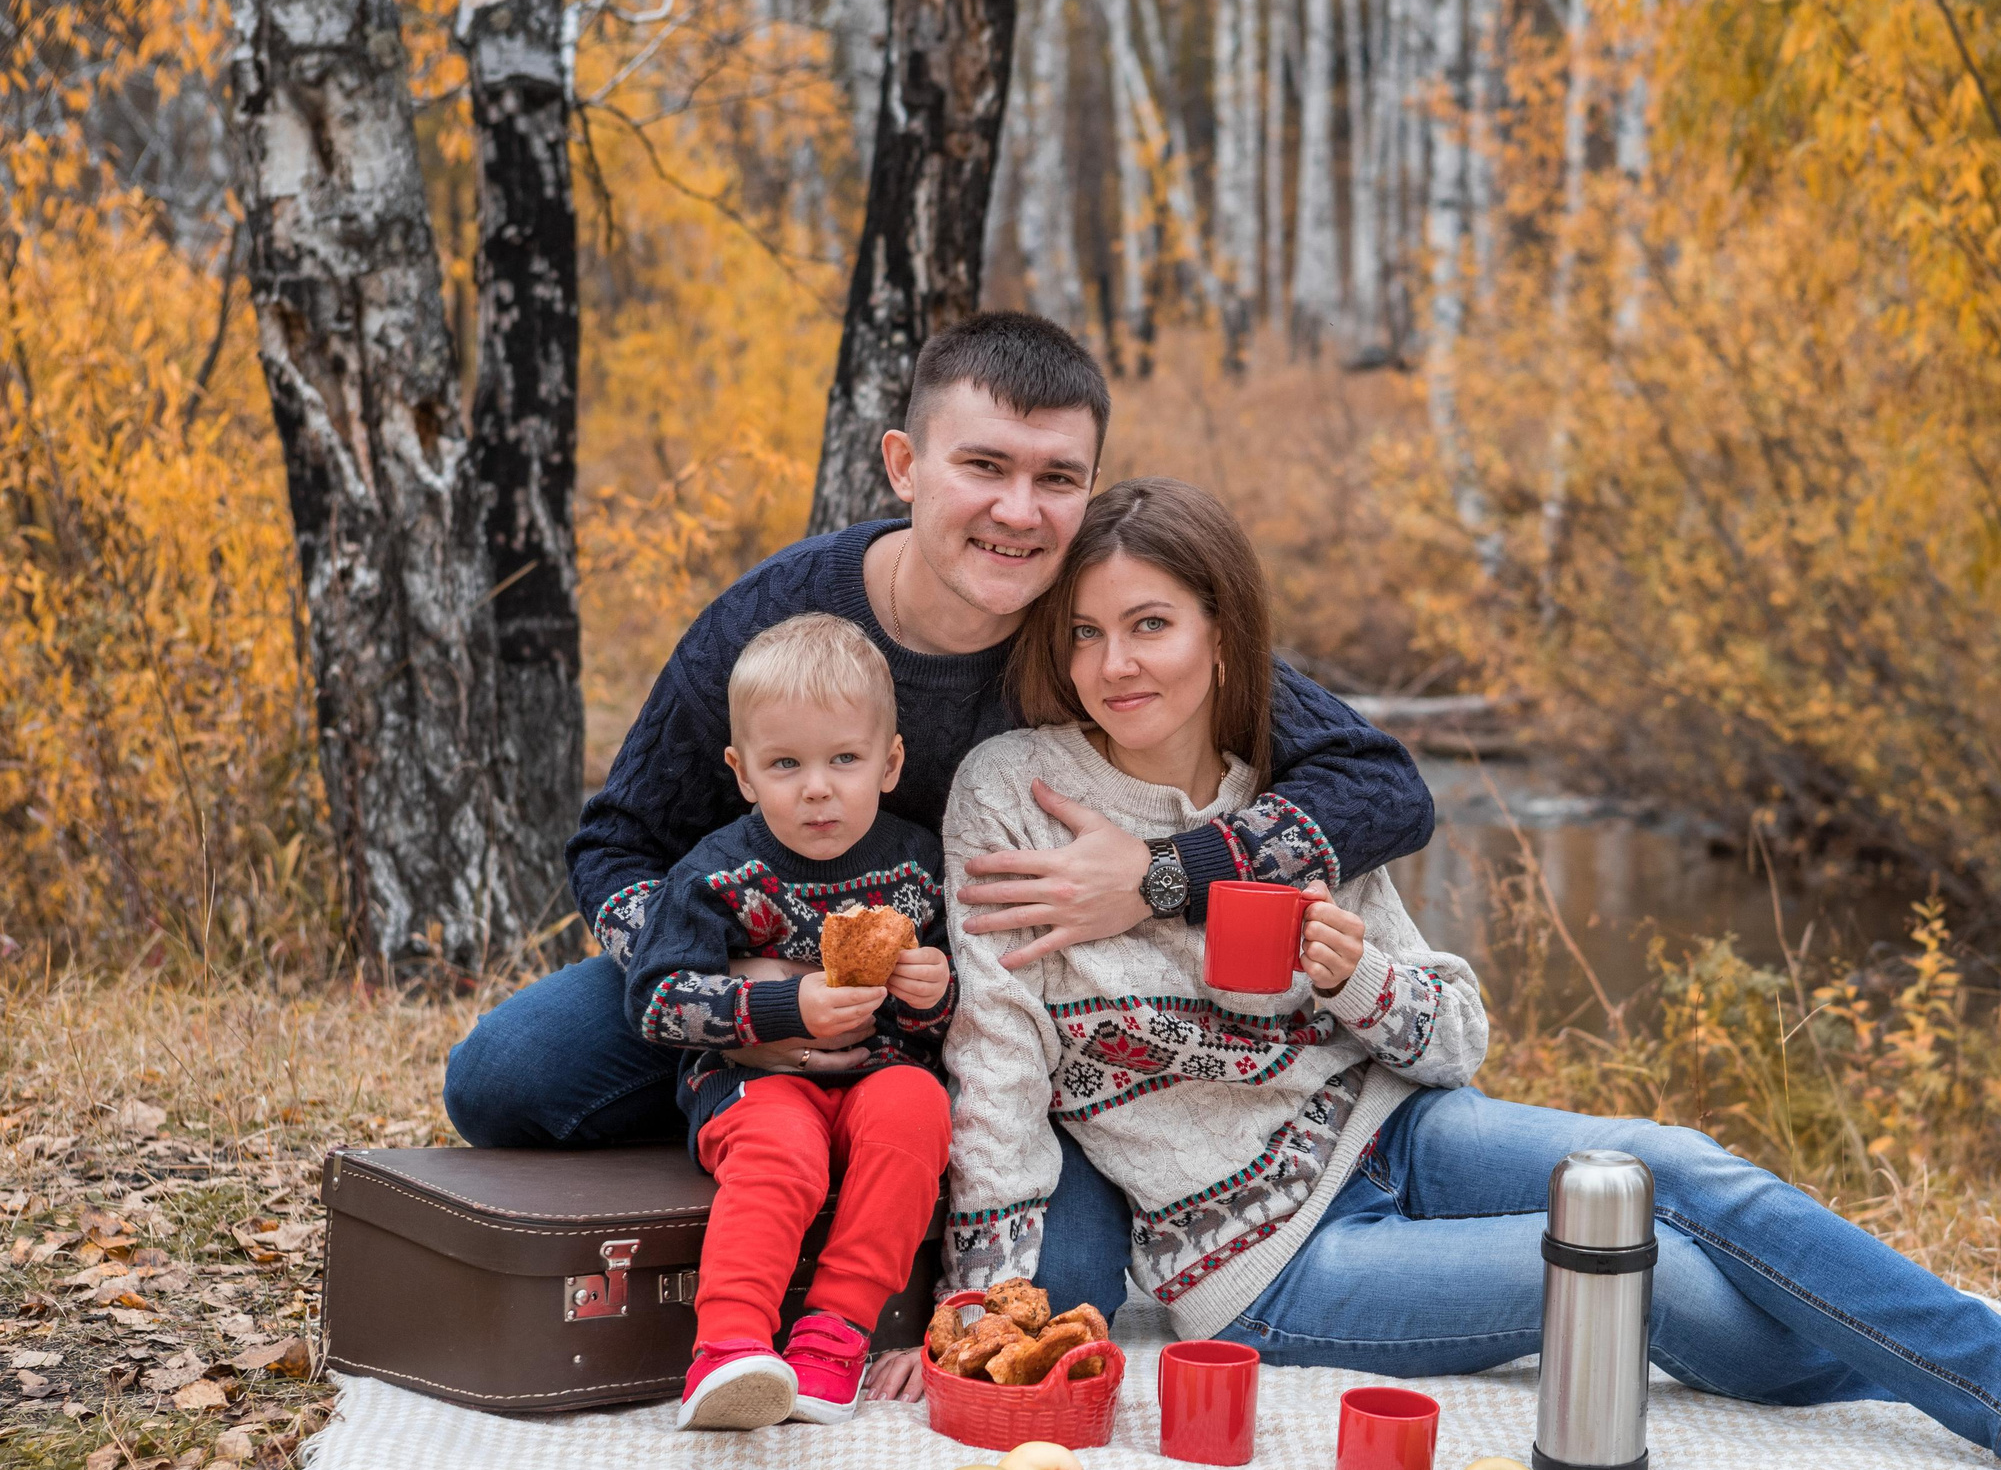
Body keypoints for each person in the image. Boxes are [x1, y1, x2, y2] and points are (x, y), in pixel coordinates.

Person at [929, 476, 2001, 1470]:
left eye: (1152, 623)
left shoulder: (1286, 791)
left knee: (1684, 1169)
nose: (1118, 664)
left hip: (1403, 1130)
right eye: (1091, 631)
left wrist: (1359, 973)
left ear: (1225, 633)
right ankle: (1988, 1357)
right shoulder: (1012, 796)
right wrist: (991, 1304)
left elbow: (1453, 1036)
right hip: (1270, 1259)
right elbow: (996, 1055)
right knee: (1638, 1282)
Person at [441, 313, 1435, 1310]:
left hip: (1002, 1022)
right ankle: (768, 1122)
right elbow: (618, 842)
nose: (1017, 510)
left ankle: (905, 1164)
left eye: (1056, 478)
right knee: (504, 1077)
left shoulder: (1095, 627)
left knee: (1062, 1283)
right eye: (984, 466)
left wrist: (1159, 874)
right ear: (905, 465)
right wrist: (740, 996)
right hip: (766, 970)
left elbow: (1380, 784)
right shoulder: (780, 619)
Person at [621, 614, 954, 1430]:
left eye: (844, 759)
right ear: (741, 773)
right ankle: (729, 1347)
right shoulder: (714, 872)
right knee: (782, 1151)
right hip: (752, 1079)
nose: (817, 786)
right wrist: (781, 1006)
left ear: (891, 762)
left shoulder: (920, 864)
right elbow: (655, 998)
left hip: (879, 1075)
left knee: (918, 1110)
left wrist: (932, 991)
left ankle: (834, 1334)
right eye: (785, 764)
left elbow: (955, 1018)